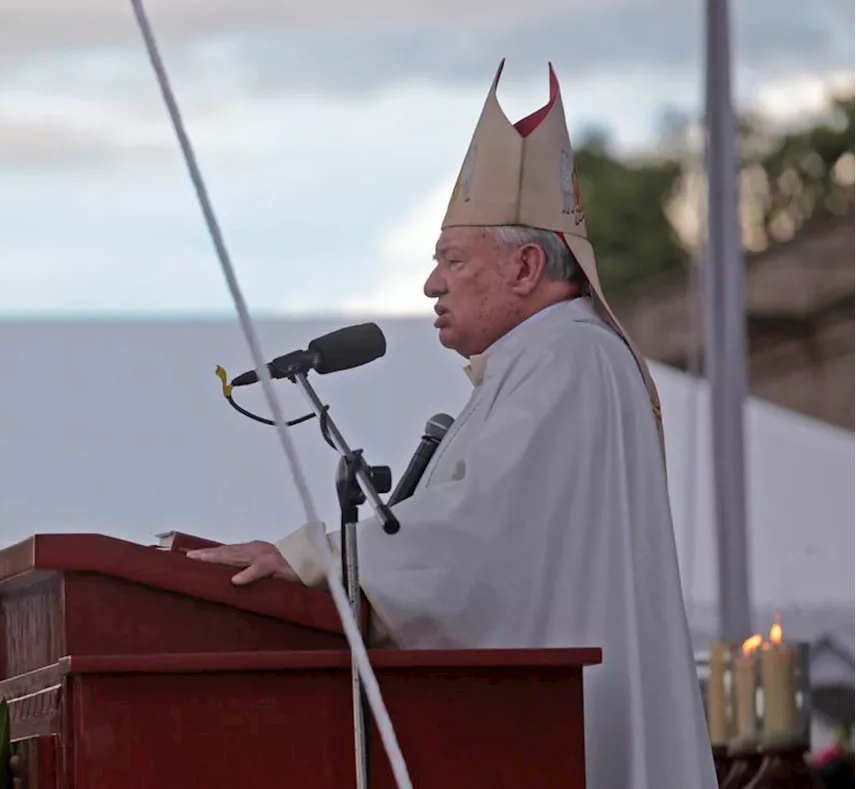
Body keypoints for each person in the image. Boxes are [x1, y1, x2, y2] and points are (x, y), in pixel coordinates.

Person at [187, 60, 718, 789]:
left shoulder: (567, 358)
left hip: (566, 736)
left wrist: (312, 557)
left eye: (451, 259)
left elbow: (475, 540)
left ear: (527, 265)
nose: (432, 283)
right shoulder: (550, 359)